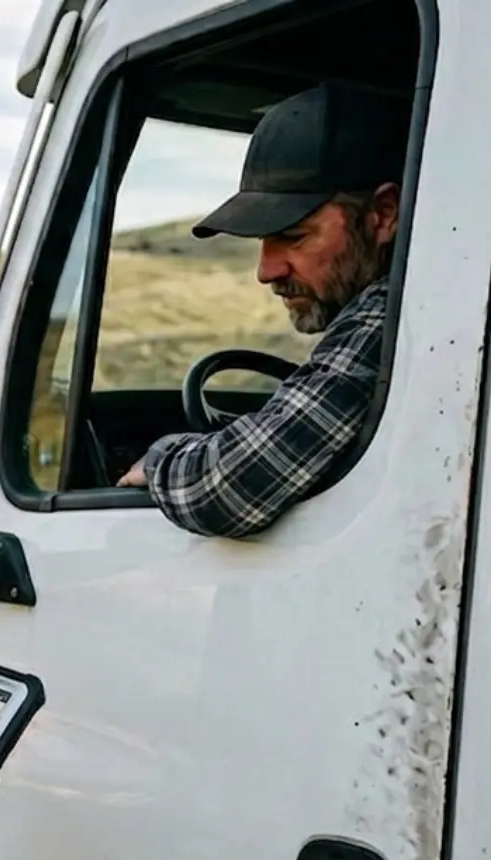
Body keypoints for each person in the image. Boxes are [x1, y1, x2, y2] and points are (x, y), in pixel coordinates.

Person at [116, 80, 412, 538]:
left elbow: (228, 490)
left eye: (294, 237)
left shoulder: (389, 316)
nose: (266, 271)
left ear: (384, 214)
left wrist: (160, 459)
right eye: (262, 241)